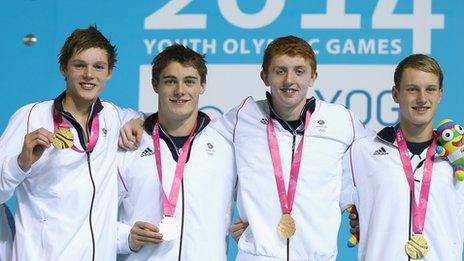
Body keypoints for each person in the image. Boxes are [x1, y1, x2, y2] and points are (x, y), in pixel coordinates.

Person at [212, 35, 370, 260]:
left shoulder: (341, 120)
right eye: (280, 71)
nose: (289, 80)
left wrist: (359, 208)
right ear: (264, 76)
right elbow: (188, 131)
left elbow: (384, 154)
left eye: (299, 71)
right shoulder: (242, 118)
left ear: (313, 77)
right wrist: (142, 120)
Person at [0, 26, 138, 260]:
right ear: (64, 68)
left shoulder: (113, 116)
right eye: (79, 65)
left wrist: (139, 122)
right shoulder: (31, 116)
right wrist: (21, 163)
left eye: (98, 67)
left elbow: (147, 118)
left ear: (109, 73)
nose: (89, 74)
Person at [116, 44, 236, 260]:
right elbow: (94, 213)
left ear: (203, 85)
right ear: (155, 84)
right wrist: (126, 237)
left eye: (189, 81)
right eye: (170, 81)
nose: (180, 90)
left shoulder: (226, 143)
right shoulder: (130, 142)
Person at [343, 54, 464, 260]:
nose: (422, 98)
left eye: (430, 89)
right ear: (395, 94)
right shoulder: (361, 152)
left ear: (440, 94)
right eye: (412, 89)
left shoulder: (457, 156)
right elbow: (316, 200)